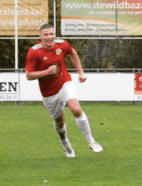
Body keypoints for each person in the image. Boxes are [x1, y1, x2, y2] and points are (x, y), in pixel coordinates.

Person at [25, 24, 102, 157]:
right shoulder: (34, 51)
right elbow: (29, 75)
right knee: (60, 121)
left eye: (51, 34)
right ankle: (65, 143)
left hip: (65, 82)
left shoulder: (62, 44)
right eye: (46, 35)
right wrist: (46, 72)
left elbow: (73, 54)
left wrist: (81, 72)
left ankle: (91, 141)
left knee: (76, 109)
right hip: (49, 92)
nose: (49, 37)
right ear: (40, 36)